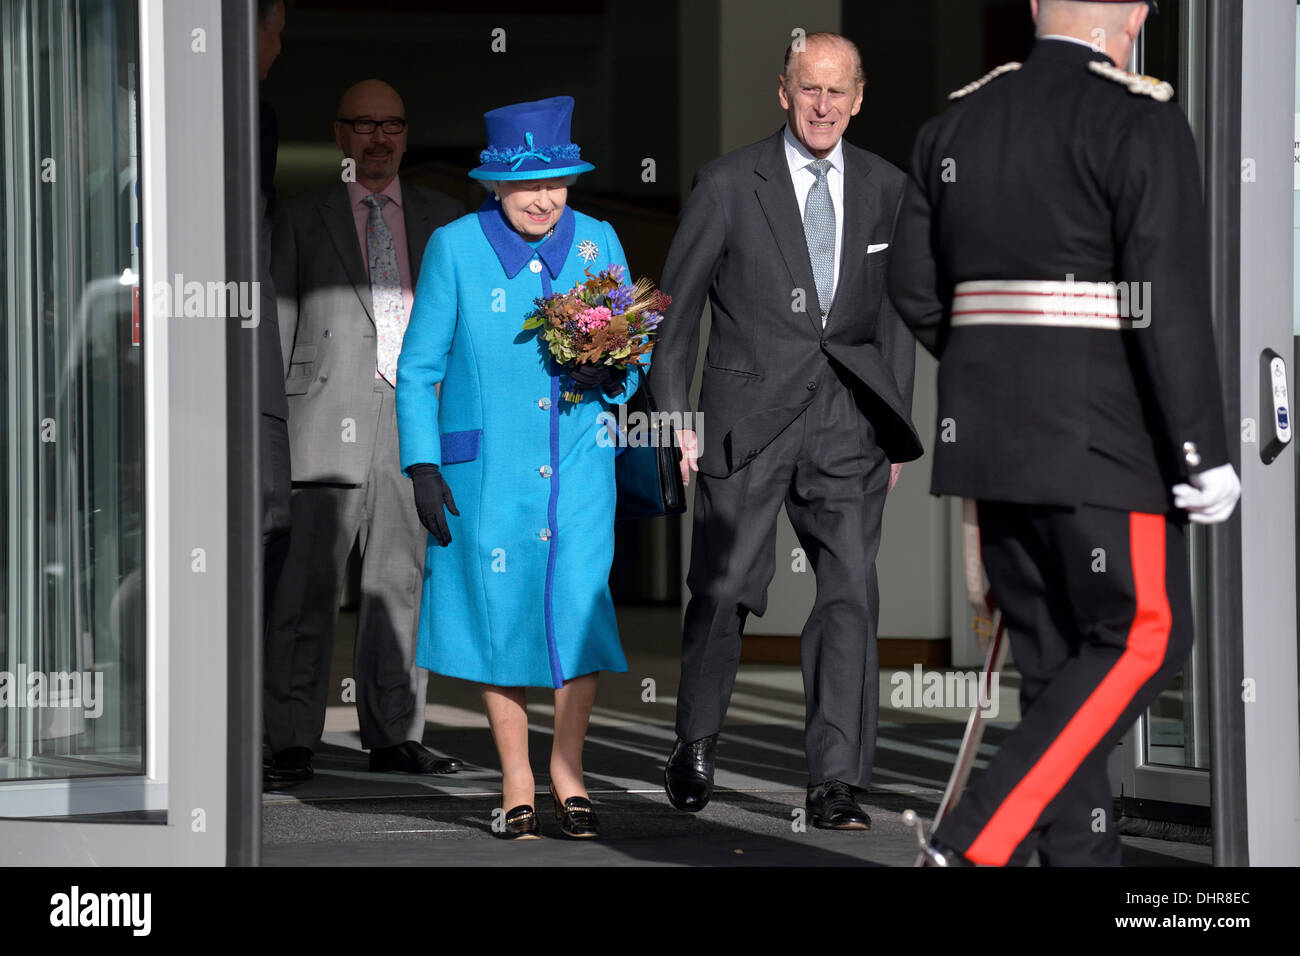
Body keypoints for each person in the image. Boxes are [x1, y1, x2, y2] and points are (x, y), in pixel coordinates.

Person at [887, 0, 1240, 866]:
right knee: (1143, 636)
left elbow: (912, 288)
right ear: (1136, 13)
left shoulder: (956, 123)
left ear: (1039, 6)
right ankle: (973, 841)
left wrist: (1001, 368)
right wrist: (1201, 448)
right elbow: (1169, 306)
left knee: (1055, 673)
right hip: (1105, 442)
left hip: (995, 442)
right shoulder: (1138, 118)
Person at [648, 32, 923, 829]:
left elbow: (899, 316)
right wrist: (677, 418)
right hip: (747, 419)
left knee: (849, 595)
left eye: (838, 92)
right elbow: (679, 310)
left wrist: (895, 424)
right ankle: (695, 737)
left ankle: (835, 780)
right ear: (784, 91)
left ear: (860, 97)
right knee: (728, 586)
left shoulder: (888, 187)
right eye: (810, 89)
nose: (824, 106)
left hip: (849, 425)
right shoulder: (730, 183)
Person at [396, 95, 642, 839]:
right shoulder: (455, 247)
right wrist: (422, 464)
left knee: (579, 610)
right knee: (501, 620)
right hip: (488, 474)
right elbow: (416, 368)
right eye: (527, 185)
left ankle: (568, 769)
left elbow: (635, 350)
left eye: (557, 182)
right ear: (495, 186)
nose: (543, 199)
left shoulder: (599, 243)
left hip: (579, 467)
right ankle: (515, 780)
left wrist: (615, 375)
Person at [263, 79, 465, 785]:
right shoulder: (300, 215)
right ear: (340, 136)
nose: (378, 140)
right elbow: (275, 333)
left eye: (392, 126)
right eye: (364, 126)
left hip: (414, 424)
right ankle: (290, 737)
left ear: (406, 135)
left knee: (399, 586)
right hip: (320, 420)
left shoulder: (444, 220)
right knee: (307, 593)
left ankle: (395, 734)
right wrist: (271, 433)